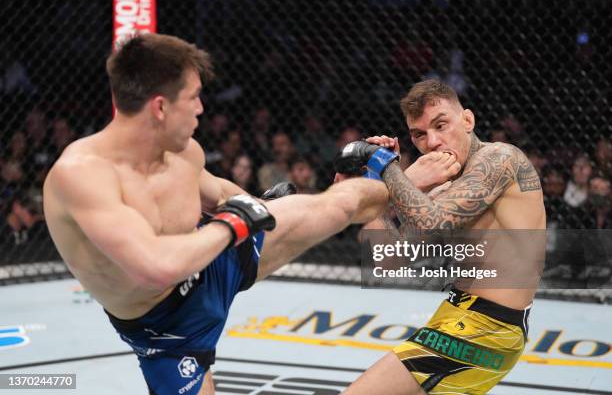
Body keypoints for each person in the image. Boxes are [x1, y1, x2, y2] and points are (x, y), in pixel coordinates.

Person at [42, 33, 390, 395]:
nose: (201, 108)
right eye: (193, 97)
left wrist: (259, 207)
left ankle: (415, 180)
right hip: (164, 327)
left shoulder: (182, 151)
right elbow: (155, 266)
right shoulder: (82, 175)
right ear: (160, 107)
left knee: (337, 204)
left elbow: (222, 194)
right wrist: (236, 222)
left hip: (213, 261)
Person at [335, 79, 546, 394]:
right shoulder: (444, 187)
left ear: (468, 120)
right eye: (419, 134)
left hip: (486, 329)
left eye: (441, 125)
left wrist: (392, 174)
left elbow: (435, 222)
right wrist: (372, 184)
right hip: (460, 317)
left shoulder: (500, 159)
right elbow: (385, 258)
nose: (432, 142)